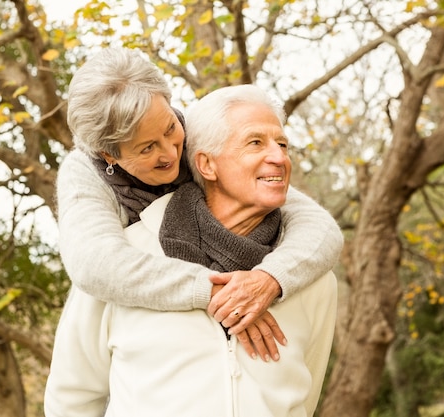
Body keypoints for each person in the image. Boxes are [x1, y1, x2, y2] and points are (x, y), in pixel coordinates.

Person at [45, 84, 338, 417]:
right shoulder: (120, 261)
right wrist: (210, 290)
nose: (279, 157)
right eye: (255, 142)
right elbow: (71, 398)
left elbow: (304, 396)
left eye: (283, 144)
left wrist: (270, 278)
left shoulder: (312, 277)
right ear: (207, 165)